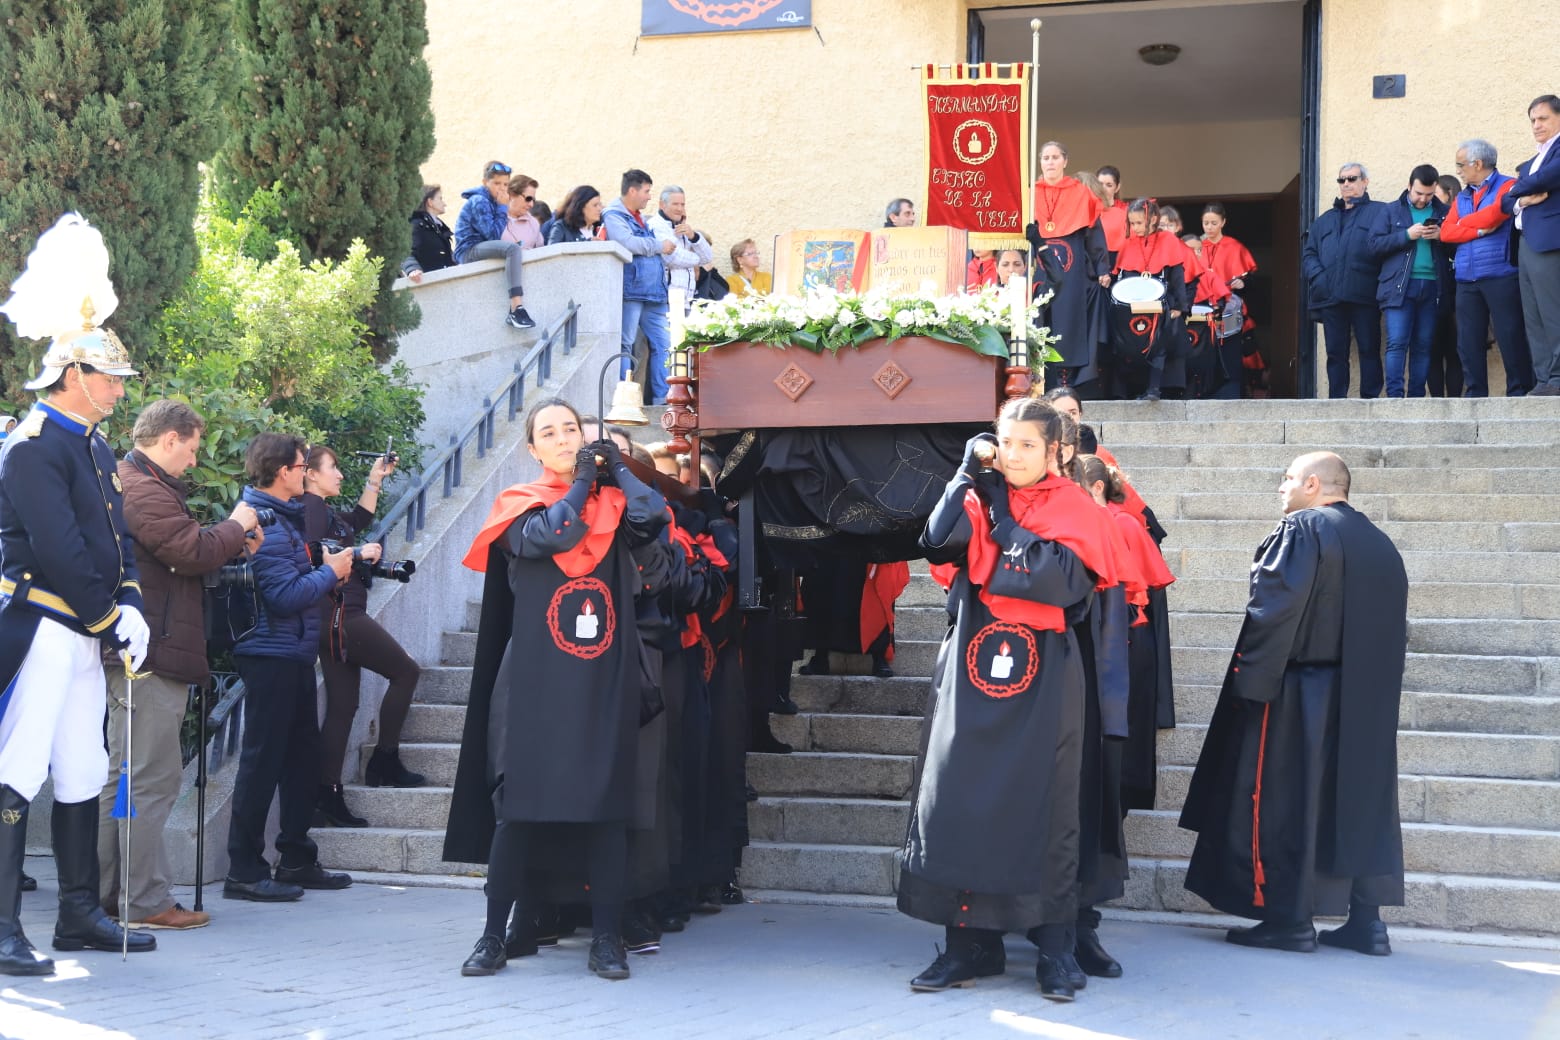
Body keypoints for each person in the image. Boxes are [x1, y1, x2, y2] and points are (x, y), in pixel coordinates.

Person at [443, 398, 669, 980]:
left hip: (602, 679)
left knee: (605, 812)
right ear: (534, 449)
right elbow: (553, 533)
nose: (565, 438)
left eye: (572, 428)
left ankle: (607, 941)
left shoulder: (618, 506)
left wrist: (617, 470)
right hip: (535, 686)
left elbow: (653, 517)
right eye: (551, 432)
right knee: (517, 812)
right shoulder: (519, 505)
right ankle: (493, 936)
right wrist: (585, 482)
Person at [900, 397, 1118, 1002]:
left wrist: (1005, 524)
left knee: (1046, 806)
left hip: (1046, 677)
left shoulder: (1075, 506)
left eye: (1029, 444)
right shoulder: (979, 492)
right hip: (970, 671)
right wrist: (965, 476)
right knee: (960, 798)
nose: (1015, 455)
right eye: (1006, 442)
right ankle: (967, 946)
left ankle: (1055, 950)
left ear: (1057, 452)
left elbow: (1061, 580)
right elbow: (937, 543)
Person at [0, 216, 156, 974]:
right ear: (72, 375)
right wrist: (105, 613)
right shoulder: (32, 445)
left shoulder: (91, 446)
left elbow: (115, 537)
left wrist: (128, 603)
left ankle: (77, 915)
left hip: (84, 631)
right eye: (111, 377)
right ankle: (2, 929)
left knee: (84, 770)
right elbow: (58, 547)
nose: (121, 389)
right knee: (17, 766)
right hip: (39, 625)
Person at [1180, 452, 1408, 957]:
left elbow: (1273, 610)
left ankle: (1289, 920)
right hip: (1366, 697)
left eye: (1286, 479)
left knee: (1284, 799)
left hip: (1301, 689)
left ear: (1312, 483)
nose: (1280, 489)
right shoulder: (1380, 543)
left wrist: (1248, 686)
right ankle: (1367, 924)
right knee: (1359, 802)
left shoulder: (1303, 529)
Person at [96, 399, 262, 933]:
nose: (194, 461)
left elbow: (184, 553)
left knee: (128, 777)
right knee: (148, 777)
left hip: (150, 651)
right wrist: (236, 526)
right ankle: (139, 900)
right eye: (191, 449)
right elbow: (189, 550)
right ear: (169, 439)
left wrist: (229, 543)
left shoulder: (140, 485)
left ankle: (115, 894)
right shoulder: (138, 486)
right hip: (150, 656)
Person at [223, 434, 356, 903]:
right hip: (270, 654)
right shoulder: (265, 522)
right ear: (284, 471)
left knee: (301, 758)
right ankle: (243, 868)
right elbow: (282, 597)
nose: (306, 473)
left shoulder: (284, 519)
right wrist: (331, 572)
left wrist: (327, 564)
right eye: (303, 466)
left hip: (291, 653)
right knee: (263, 761)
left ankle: (296, 856)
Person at [302, 446, 424, 832]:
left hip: (335, 617)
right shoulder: (310, 507)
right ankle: (384, 759)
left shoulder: (324, 510)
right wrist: (357, 552)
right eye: (332, 468)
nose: (339, 474)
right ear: (310, 474)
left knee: (343, 707)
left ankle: (327, 793)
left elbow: (358, 518)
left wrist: (376, 479)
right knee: (405, 672)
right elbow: (312, 553)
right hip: (342, 615)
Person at [1441, 139, 1533, 398]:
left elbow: (1496, 214)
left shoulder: (1508, 185)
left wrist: (1463, 222)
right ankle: (1476, 396)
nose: (1458, 170)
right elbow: (1446, 232)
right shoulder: (1462, 195)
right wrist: (1478, 230)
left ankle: (1519, 393)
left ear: (1477, 164)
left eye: (1460, 165)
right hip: (1466, 277)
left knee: (1510, 336)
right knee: (1468, 342)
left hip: (1500, 273)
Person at [1027, 141, 1108, 393]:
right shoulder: (1029, 193)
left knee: (1068, 319)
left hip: (1072, 269)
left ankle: (1065, 378)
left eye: (1054, 157)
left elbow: (1094, 234)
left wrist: (1102, 267)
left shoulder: (1081, 192)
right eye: (1045, 158)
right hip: (1038, 265)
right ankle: (1041, 376)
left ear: (1065, 161)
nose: (1049, 162)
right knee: (1040, 316)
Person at [1367, 165, 1452, 398]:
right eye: (1418, 193)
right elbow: (1373, 246)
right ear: (1409, 187)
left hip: (1433, 286)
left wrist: (1441, 236)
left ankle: (1416, 398)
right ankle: (1395, 397)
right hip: (1399, 287)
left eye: (1429, 194)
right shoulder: (1391, 211)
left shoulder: (1445, 211)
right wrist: (1406, 235)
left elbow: (1457, 245)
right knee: (1396, 343)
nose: (1423, 199)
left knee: (1423, 346)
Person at [1301, 163, 1384, 398]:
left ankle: (1371, 400)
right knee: (1335, 353)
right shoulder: (1324, 220)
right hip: (1330, 297)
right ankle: (1336, 400)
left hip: (1365, 294)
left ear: (1365, 181)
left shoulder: (1380, 212)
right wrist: (1319, 277)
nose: (1346, 184)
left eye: (1352, 179)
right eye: (1342, 180)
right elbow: (1309, 253)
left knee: (1369, 349)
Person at [603, 169, 677, 404]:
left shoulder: (638, 217)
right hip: (632, 291)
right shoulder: (614, 215)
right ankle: (623, 400)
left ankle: (663, 400)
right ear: (633, 190)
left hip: (653, 293)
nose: (648, 197)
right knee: (625, 344)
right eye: (646, 192)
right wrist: (658, 245)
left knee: (664, 345)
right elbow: (626, 243)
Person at [1503, 94, 1560, 395]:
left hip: (1550, 243)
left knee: (1553, 311)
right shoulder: (1531, 162)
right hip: (1526, 244)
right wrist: (1520, 197)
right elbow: (1504, 203)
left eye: (1543, 118)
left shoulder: (1555, 152)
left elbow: (1549, 177)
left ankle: (1558, 378)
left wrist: (1515, 189)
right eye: (1533, 120)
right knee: (1533, 316)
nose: (1537, 125)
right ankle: (1544, 379)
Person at [1108, 198, 1188, 402]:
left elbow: (1177, 274)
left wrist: (1180, 305)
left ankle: (1154, 389)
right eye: (1132, 223)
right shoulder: (1129, 243)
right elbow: (1122, 277)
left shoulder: (1168, 241)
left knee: (1158, 345)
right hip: (1133, 304)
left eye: (1138, 223)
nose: (1135, 228)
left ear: (1152, 219)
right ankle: (1129, 390)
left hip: (1160, 304)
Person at [454, 160, 535, 330]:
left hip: (478, 246)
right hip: (468, 249)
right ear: (485, 182)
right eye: (496, 183)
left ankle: (515, 310)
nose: (502, 188)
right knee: (512, 249)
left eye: (505, 184)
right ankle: (516, 308)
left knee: (513, 248)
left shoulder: (491, 200)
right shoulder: (479, 200)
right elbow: (492, 234)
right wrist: (502, 207)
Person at [1200, 203, 1259, 396]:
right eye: (1206, 223)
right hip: (1202, 310)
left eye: (1214, 223)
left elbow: (1250, 279)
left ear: (1223, 222)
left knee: (1231, 356)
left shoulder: (1234, 247)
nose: (1209, 227)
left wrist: (1243, 284)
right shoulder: (1197, 247)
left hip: (1229, 309)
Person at [1428, 174, 1466, 398]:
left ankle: (1454, 402)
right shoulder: (1432, 218)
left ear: (1449, 193)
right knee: (1432, 352)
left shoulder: (1460, 219)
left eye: (1436, 194)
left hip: (1458, 294)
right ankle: (1436, 404)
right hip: (1434, 294)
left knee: (1455, 352)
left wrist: (1442, 237)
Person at [649, 186, 715, 299]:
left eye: (682, 204)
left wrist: (694, 237)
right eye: (675, 204)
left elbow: (707, 257)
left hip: (687, 297)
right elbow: (673, 259)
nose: (680, 208)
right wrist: (696, 259)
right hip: (666, 298)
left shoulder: (683, 227)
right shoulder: (655, 225)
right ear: (662, 204)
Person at [402, 184, 454, 284]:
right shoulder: (417, 225)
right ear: (430, 202)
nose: (444, 204)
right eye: (440, 199)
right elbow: (404, 251)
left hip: (443, 281)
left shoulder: (438, 227)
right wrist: (412, 269)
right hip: (426, 283)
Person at [501, 173, 544, 250]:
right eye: (528, 199)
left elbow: (541, 254)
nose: (531, 204)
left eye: (533, 200)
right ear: (511, 195)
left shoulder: (534, 224)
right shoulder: (491, 220)